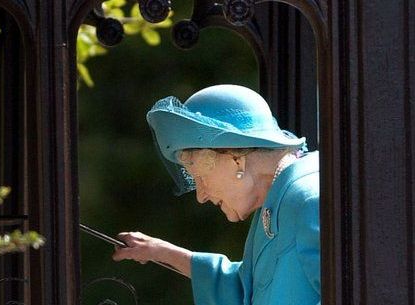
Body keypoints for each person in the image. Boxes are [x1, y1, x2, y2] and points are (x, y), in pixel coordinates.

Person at [112, 84, 320, 305]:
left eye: (200, 177)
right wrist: (161, 252)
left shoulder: (308, 198)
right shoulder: (275, 203)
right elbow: (246, 291)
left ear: (235, 159)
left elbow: (352, 292)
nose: (201, 196)